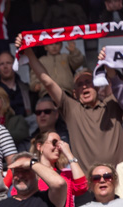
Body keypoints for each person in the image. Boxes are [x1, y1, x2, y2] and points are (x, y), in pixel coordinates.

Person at [21, 39, 123, 174]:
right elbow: (47, 82)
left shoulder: (113, 104)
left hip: (119, 179)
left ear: (97, 86)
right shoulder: (71, 109)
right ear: (74, 93)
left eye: (88, 82)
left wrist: (108, 62)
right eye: (80, 84)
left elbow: (118, 85)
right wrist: (28, 51)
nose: (84, 86)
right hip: (87, 182)